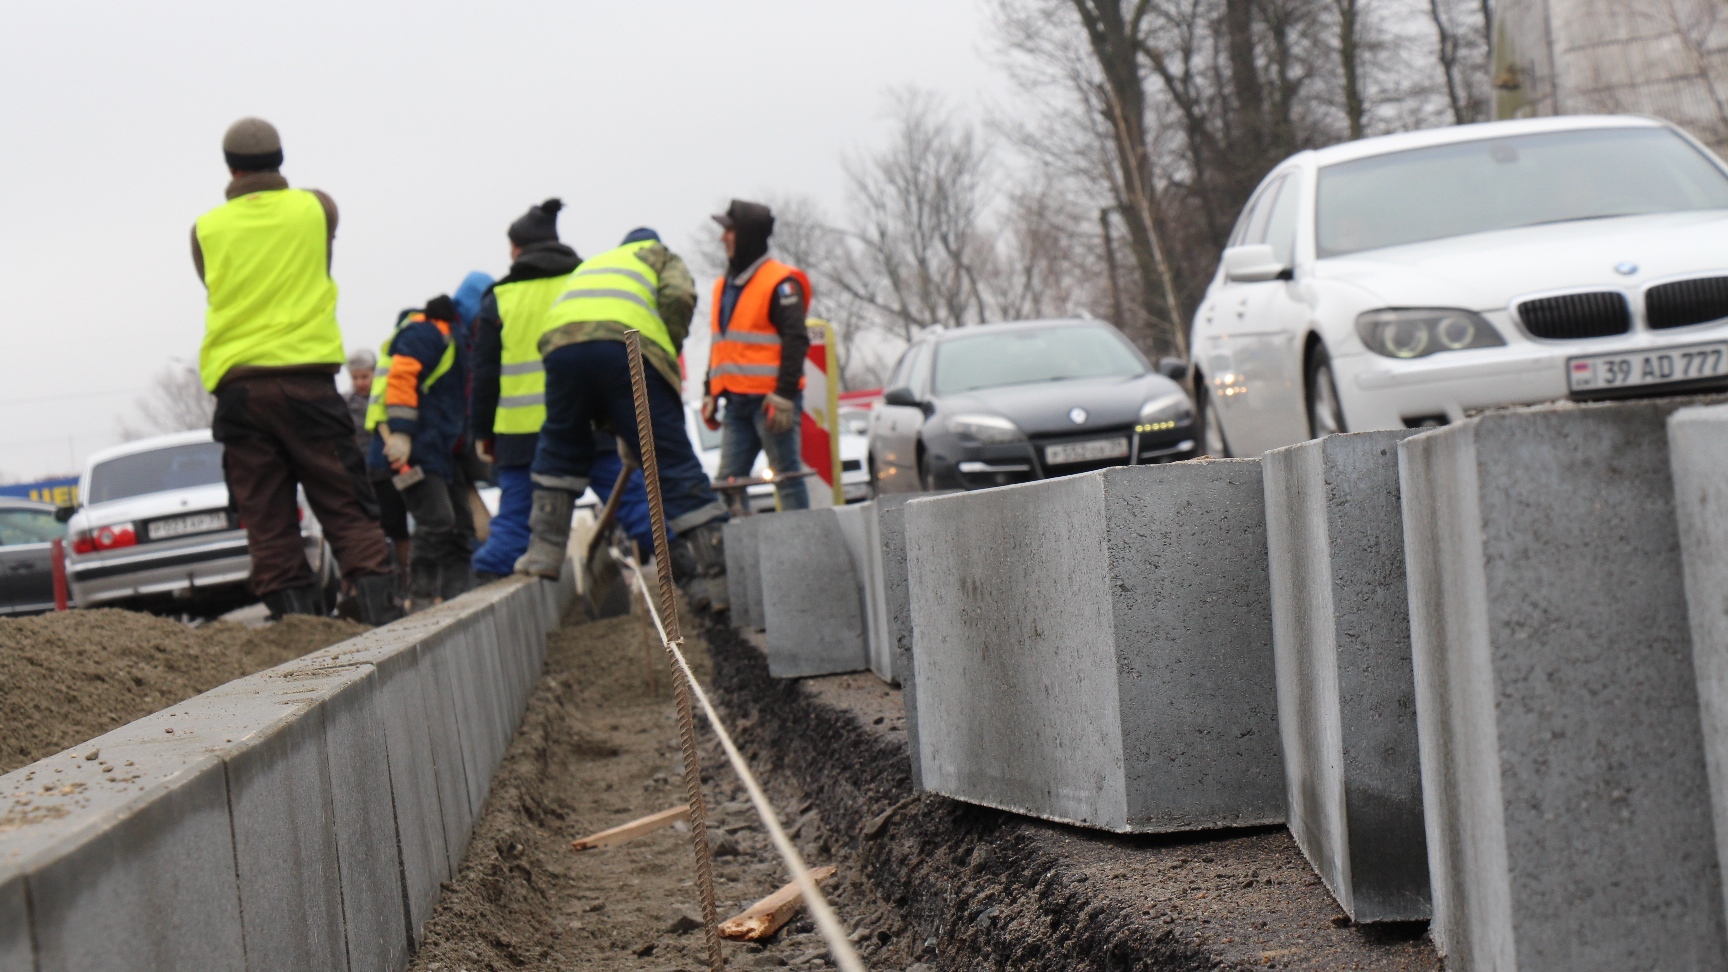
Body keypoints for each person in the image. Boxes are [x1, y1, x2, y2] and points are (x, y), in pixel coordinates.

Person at [191, 117, 398, 624]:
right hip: (308, 380)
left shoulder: (206, 229)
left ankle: (296, 629)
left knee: (265, 514)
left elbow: (211, 281)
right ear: (280, 160)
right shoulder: (317, 208)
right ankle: (381, 620)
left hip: (239, 387)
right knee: (345, 499)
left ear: (230, 167)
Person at [517, 227, 729, 607]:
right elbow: (679, 296)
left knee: (561, 444)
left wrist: (623, 430)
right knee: (674, 460)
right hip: (625, 346)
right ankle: (720, 575)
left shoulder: (599, 263)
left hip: (561, 345)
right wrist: (664, 346)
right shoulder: (658, 256)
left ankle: (543, 552)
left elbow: (598, 377)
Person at [468, 199, 581, 580]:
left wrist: (482, 432)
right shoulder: (583, 283)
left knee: (515, 522)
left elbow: (484, 375)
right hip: (586, 423)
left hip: (519, 437)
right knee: (637, 506)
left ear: (518, 249)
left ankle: (482, 592)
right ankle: (690, 578)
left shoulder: (500, 297)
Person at [702, 199, 812, 510]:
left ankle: (803, 551)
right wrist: (709, 390)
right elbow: (720, 344)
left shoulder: (780, 282)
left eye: (730, 231)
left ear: (747, 235)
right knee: (728, 484)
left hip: (770, 403)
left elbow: (795, 339)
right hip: (737, 403)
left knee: (786, 479)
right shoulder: (725, 285)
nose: (723, 238)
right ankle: (735, 554)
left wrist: (784, 394)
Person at [365, 297, 473, 609]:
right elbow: (402, 379)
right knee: (437, 521)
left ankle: (458, 597)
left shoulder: (450, 337)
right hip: (413, 450)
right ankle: (422, 597)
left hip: (437, 449)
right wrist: (402, 430)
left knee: (458, 527)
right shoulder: (427, 333)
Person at [344, 348, 376, 452]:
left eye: (364, 377)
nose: (359, 383)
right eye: (354, 378)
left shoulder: (386, 399)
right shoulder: (344, 402)